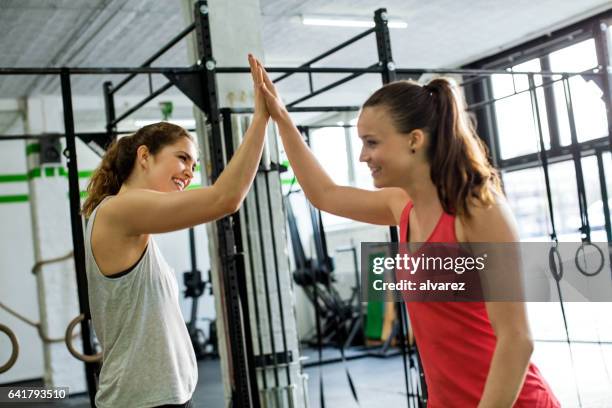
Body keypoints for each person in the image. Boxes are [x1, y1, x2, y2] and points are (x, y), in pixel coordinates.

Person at [252, 57, 560, 407]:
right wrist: (281, 118)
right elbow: (324, 194)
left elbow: (517, 339)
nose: (363, 157)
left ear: (414, 140)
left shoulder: (478, 210)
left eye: (371, 142)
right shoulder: (402, 206)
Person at [80, 54, 269, 408]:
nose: (189, 172)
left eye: (194, 165)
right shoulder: (119, 210)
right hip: (142, 402)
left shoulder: (132, 218)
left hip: (159, 398)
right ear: (144, 156)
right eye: (182, 158)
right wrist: (260, 119)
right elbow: (226, 199)